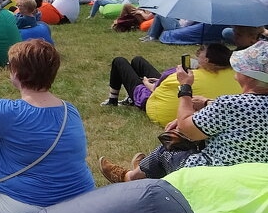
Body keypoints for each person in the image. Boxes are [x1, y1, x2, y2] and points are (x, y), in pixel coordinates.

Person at [0, 37, 95, 213]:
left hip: (27, 206)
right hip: (80, 201)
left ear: (16, 72)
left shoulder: (9, 113)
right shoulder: (69, 110)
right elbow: (49, 150)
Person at [99, 41, 268, 182]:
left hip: (217, 178)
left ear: (251, 76)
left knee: (170, 147)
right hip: (257, 179)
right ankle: (144, 170)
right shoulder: (234, 105)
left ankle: (129, 177)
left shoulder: (230, 105)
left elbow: (188, 129)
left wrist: (185, 88)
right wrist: (208, 103)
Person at [100, 44, 238, 118]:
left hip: (154, 100)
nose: (198, 53)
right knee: (138, 60)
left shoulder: (187, 75)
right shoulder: (233, 74)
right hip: (170, 91)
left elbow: (158, 90)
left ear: (207, 60)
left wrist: (147, 84)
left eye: (201, 53)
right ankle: (128, 99)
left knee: (119, 61)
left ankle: (113, 100)